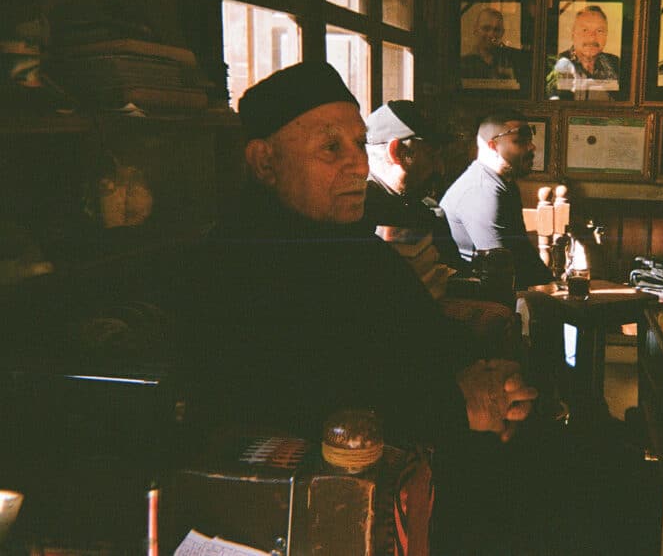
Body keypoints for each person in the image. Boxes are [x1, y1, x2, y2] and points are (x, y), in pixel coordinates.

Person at [190, 61, 537, 450]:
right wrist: (458, 405)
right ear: (265, 162)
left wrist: (494, 380)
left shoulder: (350, 240)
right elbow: (305, 402)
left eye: (358, 143)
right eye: (331, 147)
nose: (358, 164)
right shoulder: (241, 264)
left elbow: (426, 332)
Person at [441, 109, 554, 290]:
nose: (532, 147)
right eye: (521, 140)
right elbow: (501, 270)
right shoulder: (482, 191)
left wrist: (553, 283)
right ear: (493, 146)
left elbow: (522, 250)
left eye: (530, 140)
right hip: (473, 296)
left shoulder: (505, 184)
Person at [364, 99, 465, 292]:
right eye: (431, 155)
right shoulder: (359, 214)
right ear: (397, 153)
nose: (440, 169)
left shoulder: (424, 208)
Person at [545, 5, 621, 98]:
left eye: (599, 31)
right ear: (573, 33)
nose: (592, 37)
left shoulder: (615, 63)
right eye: (585, 30)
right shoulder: (556, 64)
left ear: (606, 35)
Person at [459, 6, 523, 84]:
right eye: (486, 28)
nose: (491, 34)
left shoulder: (514, 61)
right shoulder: (463, 63)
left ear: (502, 33)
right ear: (475, 30)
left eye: (496, 30)